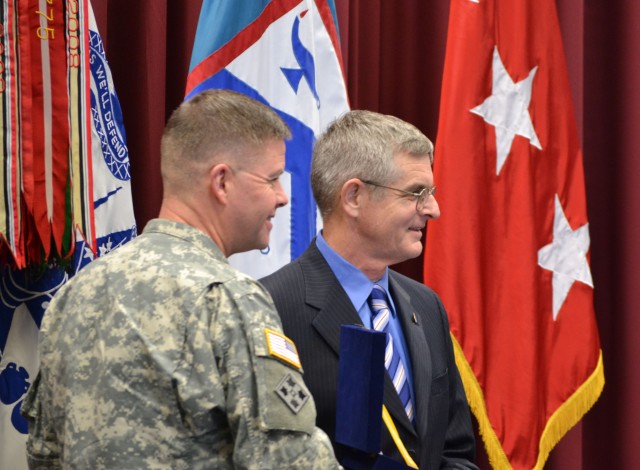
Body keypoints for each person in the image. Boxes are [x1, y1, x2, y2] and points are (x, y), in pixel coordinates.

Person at [21, 89, 340, 469]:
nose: (283, 197)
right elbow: (290, 461)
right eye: (272, 179)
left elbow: (43, 454)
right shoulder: (228, 299)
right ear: (221, 182)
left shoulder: (74, 294)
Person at [260, 110, 478, 469]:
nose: (433, 209)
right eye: (415, 193)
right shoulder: (271, 307)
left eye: (431, 192)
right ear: (354, 197)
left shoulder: (425, 305)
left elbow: (453, 451)